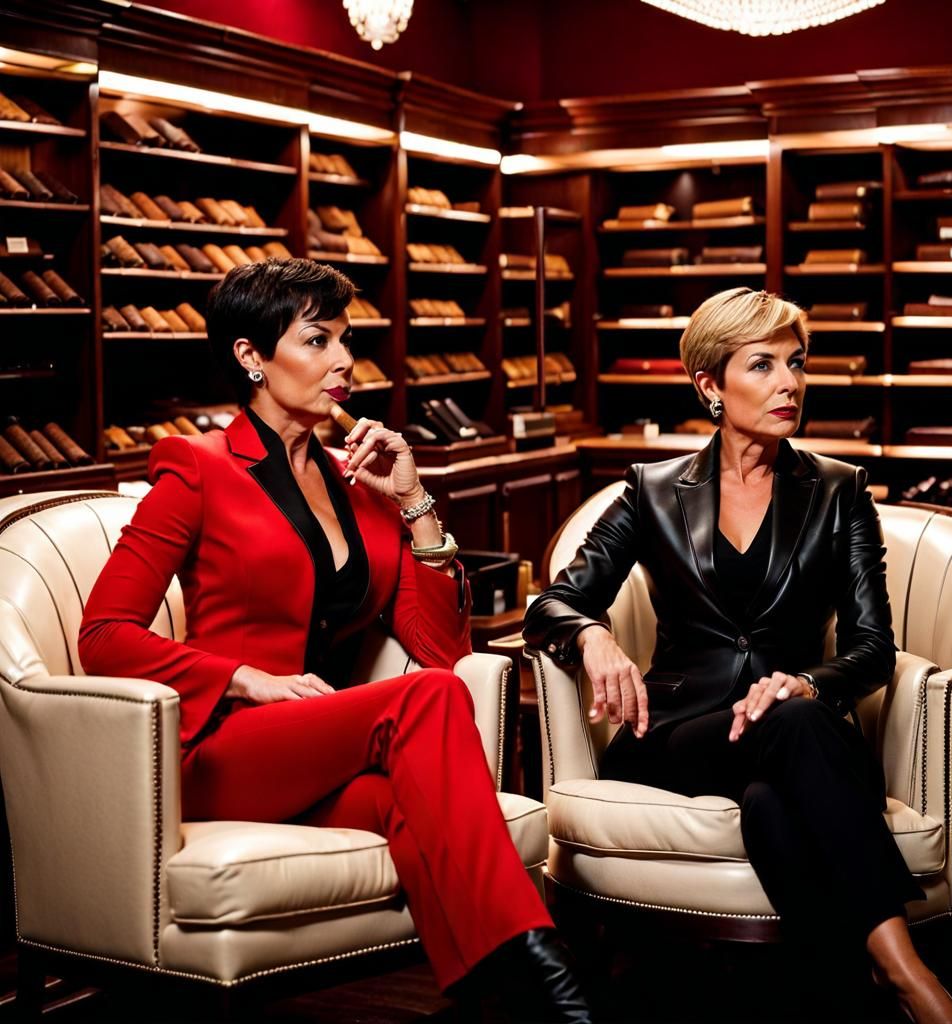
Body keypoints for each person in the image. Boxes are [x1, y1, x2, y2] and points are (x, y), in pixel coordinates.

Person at [79, 258, 590, 1023]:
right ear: (251, 357)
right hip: (225, 749)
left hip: (320, 748)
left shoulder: (358, 481)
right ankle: (553, 989)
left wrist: (414, 503)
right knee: (426, 701)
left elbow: (440, 646)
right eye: (317, 340)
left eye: (344, 340)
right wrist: (246, 678)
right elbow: (103, 636)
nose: (344, 361)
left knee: (409, 802)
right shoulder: (196, 470)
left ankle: (512, 1001)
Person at [523, 287, 952, 1024]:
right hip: (679, 735)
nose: (789, 383)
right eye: (761, 365)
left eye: (797, 363)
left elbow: (872, 649)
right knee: (790, 734)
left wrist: (806, 681)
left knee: (771, 795)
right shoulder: (653, 491)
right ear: (709, 386)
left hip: (795, 729)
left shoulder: (837, 492)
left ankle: (844, 992)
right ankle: (908, 973)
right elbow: (552, 604)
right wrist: (592, 635)